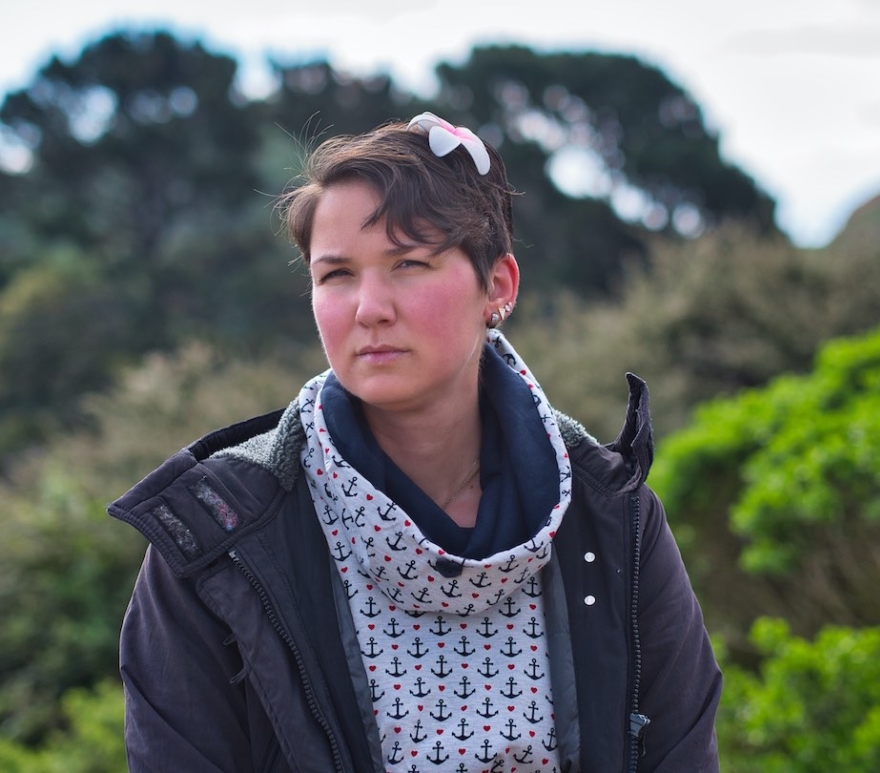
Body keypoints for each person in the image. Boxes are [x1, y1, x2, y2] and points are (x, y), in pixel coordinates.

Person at [110, 112, 722, 772]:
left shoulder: (611, 514)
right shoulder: (217, 536)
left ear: (497, 286)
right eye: (336, 274)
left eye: (409, 263)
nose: (369, 306)